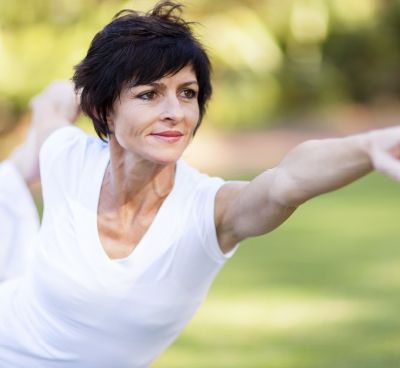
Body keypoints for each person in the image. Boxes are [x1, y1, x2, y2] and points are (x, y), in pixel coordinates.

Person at [0, 1, 399, 367]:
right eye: (149, 94)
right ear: (104, 109)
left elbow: (288, 181)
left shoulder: (211, 211)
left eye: (187, 93)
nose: (174, 112)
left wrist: (367, 147)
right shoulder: (66, 156)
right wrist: (90, 82)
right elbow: (49, 108)